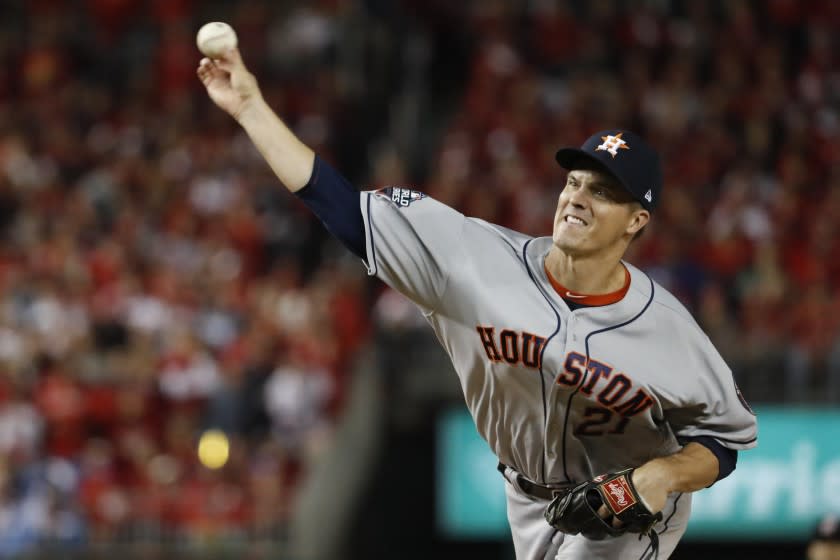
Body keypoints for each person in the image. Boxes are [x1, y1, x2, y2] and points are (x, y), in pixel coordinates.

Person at [197, 48, 758, 560]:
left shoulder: (666, 328)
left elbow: (724, 441)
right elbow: (345, 210)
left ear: (636, 221)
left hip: (625, 510)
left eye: (605, 192)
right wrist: (250, 109)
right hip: (526, 497)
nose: (579, 199)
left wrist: (660, 476)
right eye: (576, 182)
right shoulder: (475, 262)